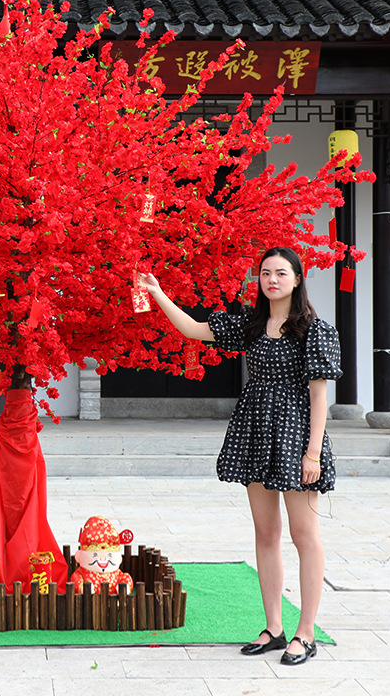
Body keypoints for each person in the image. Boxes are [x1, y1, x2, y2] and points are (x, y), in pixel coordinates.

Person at [141, 246, 341, 666]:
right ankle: (273, 627)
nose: (272, 279)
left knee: (304, 536)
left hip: (295, 435)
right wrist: (157, 293)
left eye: (281, 273)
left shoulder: (314, 329)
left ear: (297, 279)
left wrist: (312, 453)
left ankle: (306, 633)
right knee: (265, 533)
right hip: (255, 431)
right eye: (265, 272)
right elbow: (194, 330)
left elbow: (319, 395)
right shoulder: (252, 326)